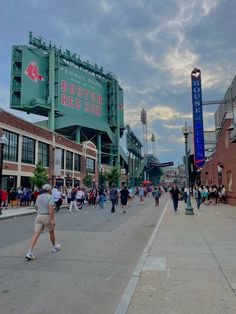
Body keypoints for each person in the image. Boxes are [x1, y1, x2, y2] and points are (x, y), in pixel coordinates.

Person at [25, 184, 61, 260]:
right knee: (51, 232)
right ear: (49, 190)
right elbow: (51, 208)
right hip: (46, 216)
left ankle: (30, 251)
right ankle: (54, 247)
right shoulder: (50, 197)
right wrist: (52, 219)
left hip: (39, 216)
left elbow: (36, 207)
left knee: (36, 234)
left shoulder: (39, 196)